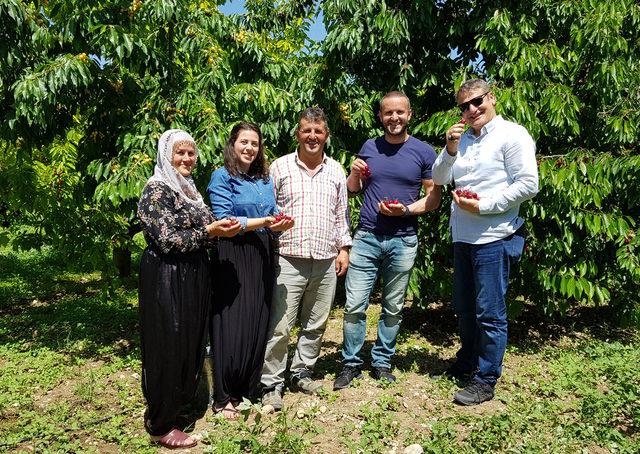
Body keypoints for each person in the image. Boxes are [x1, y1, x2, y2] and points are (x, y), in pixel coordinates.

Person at [432, 79, 539, 405]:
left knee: (489, 312)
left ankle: (486, 377)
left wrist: (483, 206)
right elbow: (438, 179)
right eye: (464, 106)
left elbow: (528, 184)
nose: (471, 110)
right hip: (463, 237)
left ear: (491, 98)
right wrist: (450, 150)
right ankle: (468, 361)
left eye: (477, 101)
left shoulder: (513, 135)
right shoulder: (461, 141)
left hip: (495, 237)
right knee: (465, 309)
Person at [138, 129, 241, 449]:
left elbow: (208, 223)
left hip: (194, 273)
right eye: (179, 153)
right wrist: (209, 231)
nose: (186, 159)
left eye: (191, 153)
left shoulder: (189, 190)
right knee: (167, 345)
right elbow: (167, 239)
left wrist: (221, 229)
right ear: (166, 155)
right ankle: (160, 425)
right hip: (166, 275)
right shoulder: (156, 190)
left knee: (189, 343)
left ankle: (177, 406)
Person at [333, 91, 442, 390]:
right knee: (355, 304)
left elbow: (433, 199)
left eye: (400, 112)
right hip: (367, 236)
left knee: (393, 307)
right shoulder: (370, 146)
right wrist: (354, 173)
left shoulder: (423, 152)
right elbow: (352, 189)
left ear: (409, 114)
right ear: (380, 116)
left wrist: (405, 210)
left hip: (403, 239)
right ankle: (351, 363)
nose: (394, 118)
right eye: (388, 113)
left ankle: (382, 361)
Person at [260, 107, 352, 411]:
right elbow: (268, 210)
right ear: (298, 134)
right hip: (288, 257)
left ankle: (302, 372)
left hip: (325, 258)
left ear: (326, 135)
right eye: (306, 130)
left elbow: (341, 214)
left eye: (318, 131)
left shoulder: (337, 170)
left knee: (316, 322)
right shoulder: (280, 167)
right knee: (280, 326)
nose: (312, 136)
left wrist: (344, 249)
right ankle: (271, 383)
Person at [207, 122, 293, 419]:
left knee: (258, 318)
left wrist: (277, 221)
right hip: (234, 252)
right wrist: (266, 223)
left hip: (262, 252)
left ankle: (245, 387)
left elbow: (269, 213)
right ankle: (223, 395)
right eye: (244, 142)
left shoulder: (263, 179)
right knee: (232, 322)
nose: (249, 148)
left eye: (254, 144)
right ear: (232, 144)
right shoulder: (222, 176)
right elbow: (226, 221)